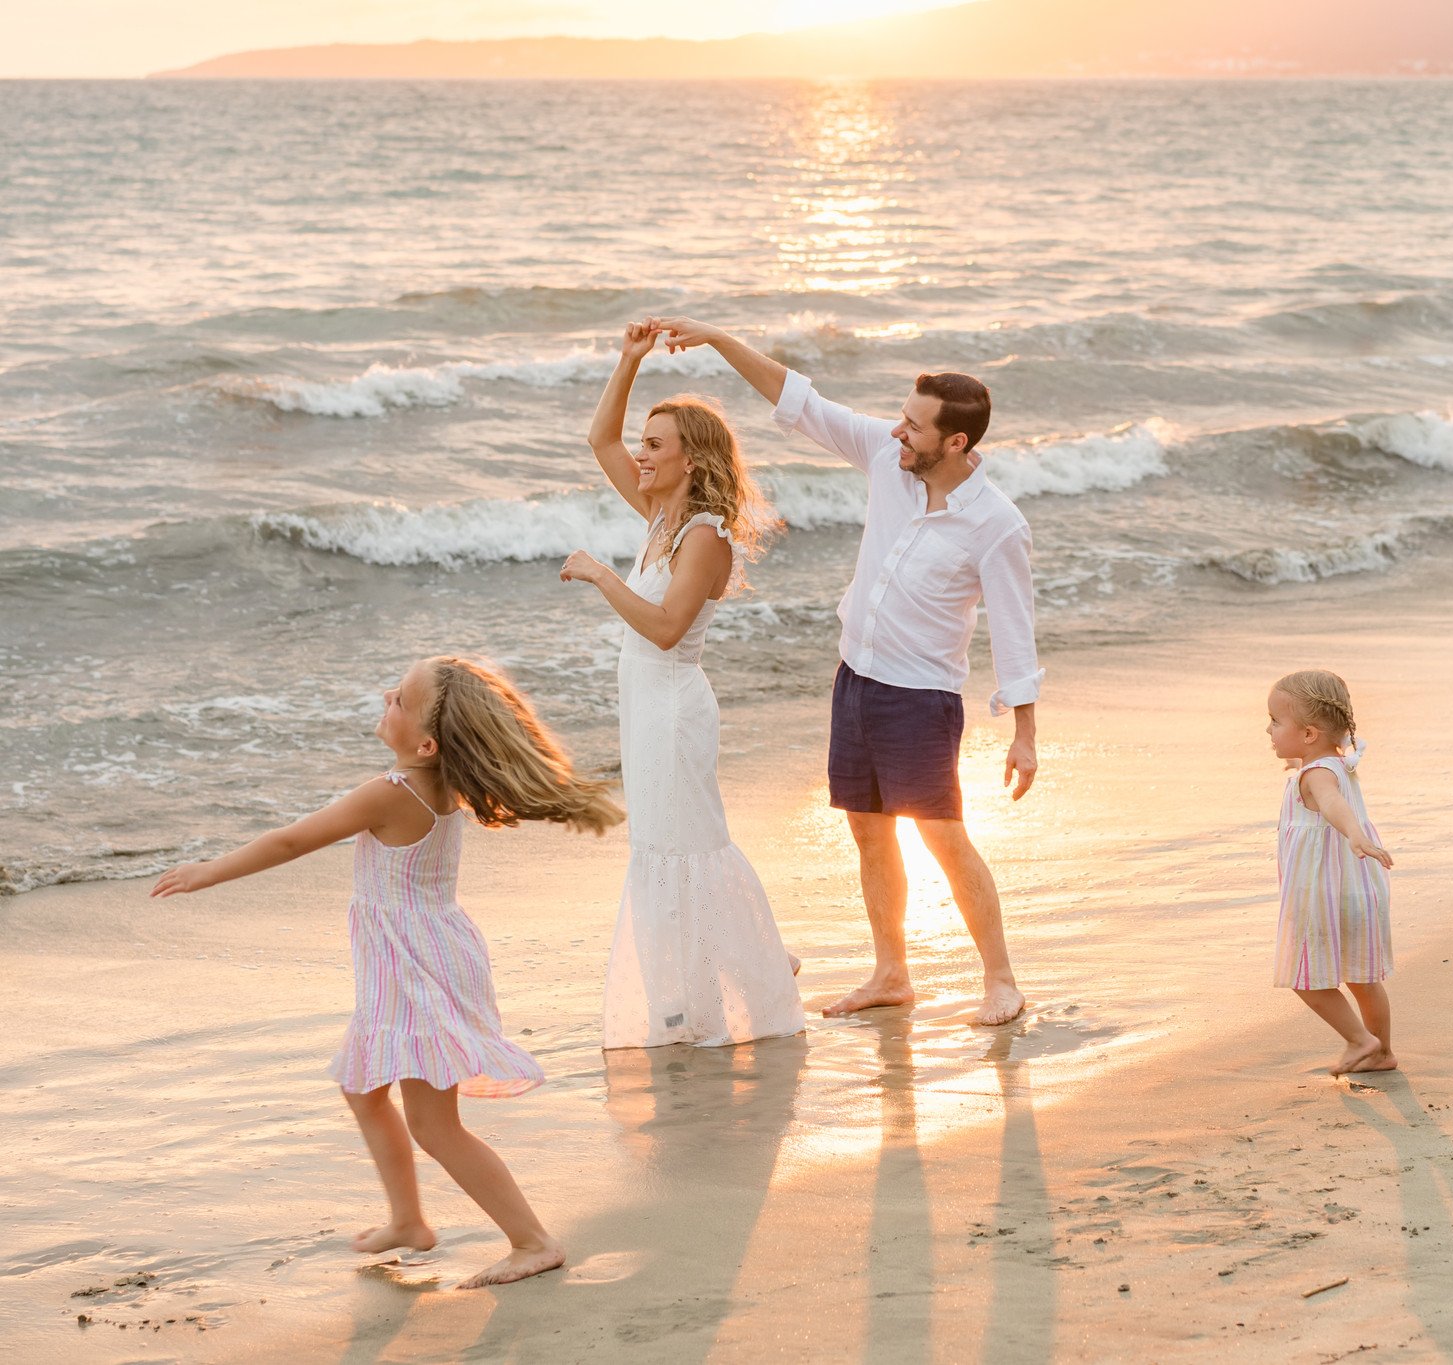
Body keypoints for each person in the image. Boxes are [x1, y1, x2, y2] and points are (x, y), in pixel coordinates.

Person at [151, 655, 622, 1288]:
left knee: (434, 1125)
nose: (385, 696)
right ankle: (408, 1221)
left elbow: (292, 840)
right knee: (363, 1087)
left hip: (414, 967)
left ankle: (532, 1241)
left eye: (399, 698)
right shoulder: (441, 785)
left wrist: (209, 871)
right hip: (420, 955)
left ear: (427, 744)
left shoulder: (392, 792)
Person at [648, 314, 1041, 1027]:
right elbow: (800, 400)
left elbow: (1016, 631)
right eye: (901, 417)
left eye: (914, 426)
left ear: (955, 441)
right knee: (867, 830)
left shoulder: (997, 524)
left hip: (921, 698)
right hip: (855, 680)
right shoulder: (888, 459)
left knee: (943, 837)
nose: (898, 431)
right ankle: (892, 972)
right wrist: (716, 337)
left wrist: (1025, 734)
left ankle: (1001, 980)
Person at [562, 320, 806, 1049]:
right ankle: (723, 979)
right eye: (644, 443)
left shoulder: (702, 536)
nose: (640, 454)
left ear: (691, 460)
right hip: (645, 709)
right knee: (664, 846)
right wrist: (628, 360)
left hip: (672, 708)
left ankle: (732, 979)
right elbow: (599, 440)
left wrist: (601, 574)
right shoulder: (661, 519)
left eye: (655, 444)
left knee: (686, 848)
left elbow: (667, 628)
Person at [1265, 669, 1397, 1076]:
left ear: (1308, 733)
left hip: (1321, 892)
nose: (1268, 730)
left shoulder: (1317, 775)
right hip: (1355, 887)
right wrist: (1297, 760)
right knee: (1362, 978)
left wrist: (1355, 833)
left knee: (1304, 976)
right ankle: (1381, 1053)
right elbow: (1330, 790)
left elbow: (1331, 803)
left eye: (1275, 721)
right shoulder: (1334, 763)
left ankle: (1360, 1041)